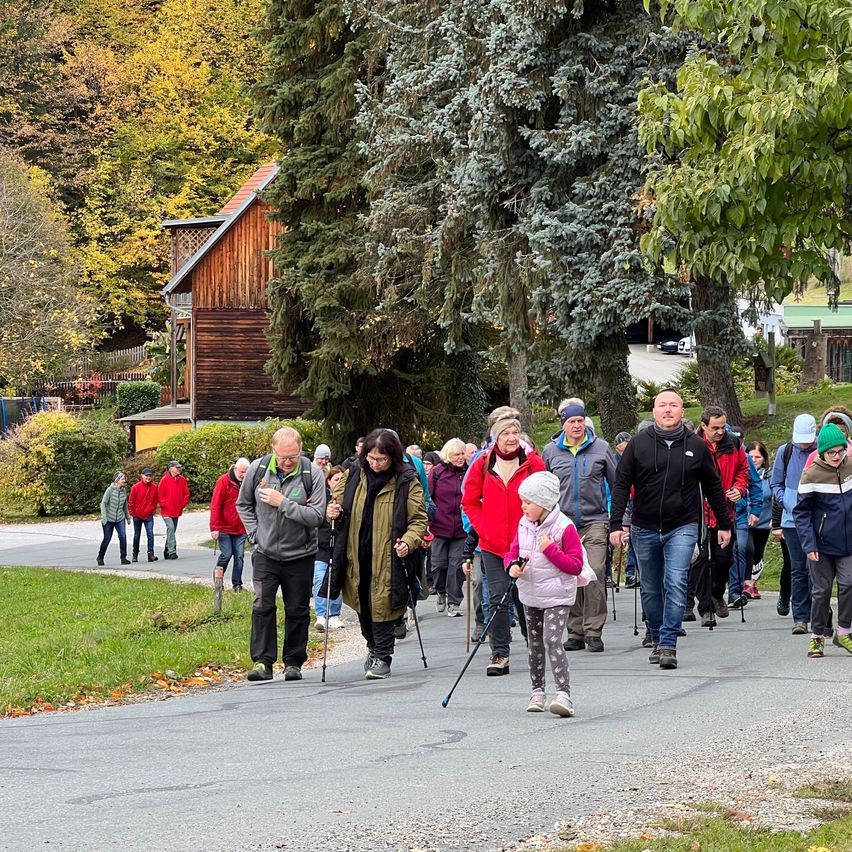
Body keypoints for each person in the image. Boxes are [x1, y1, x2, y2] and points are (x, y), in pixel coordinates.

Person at [610, 389, 731, 670]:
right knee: (651, 589)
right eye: (662, 405)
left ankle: (667, 643)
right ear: (653, 412)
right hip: (644, 527)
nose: (667, 410)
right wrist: (616, 523)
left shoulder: (696, 446)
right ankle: (655, 632)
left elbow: (713, 487)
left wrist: (723, 523)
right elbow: (620, 485)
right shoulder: (638, 445)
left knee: (675, 582)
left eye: (673, 406)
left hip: (683, 525)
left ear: (682, 412)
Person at [324, 429, 428, 680]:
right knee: (362, 604)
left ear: (392, 456)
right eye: (371, 458)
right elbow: (335, 503)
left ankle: (383, 656)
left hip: (388, 554)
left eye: (381, 459)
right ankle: (372, 647)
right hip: (356, 553)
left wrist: (409, 542)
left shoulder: (406, 480)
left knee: (382, 605)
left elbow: (419, 520)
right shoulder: (353, 476)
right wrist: (333, 511)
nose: (375, 463)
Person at [237, 427, 327, 682]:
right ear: (273, 450)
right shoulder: (258, 469)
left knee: (297, 609)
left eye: (293, 457)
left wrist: (283, 503)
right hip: (265, 553)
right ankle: (262, 662)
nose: (287, 462)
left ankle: (293, 663)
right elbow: (243, 504)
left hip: (300, 554)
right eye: (283, 457)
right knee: (263, 606)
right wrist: (254, 534)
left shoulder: (313, 473)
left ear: (301, 450)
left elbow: (317, 517)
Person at [461, 411, 546, 676]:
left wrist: (536, 525)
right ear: (495, 437)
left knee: (526, 596)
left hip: (525, 543)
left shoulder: (533, 463)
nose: (511, 438)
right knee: (497, 598)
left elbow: (547, 497)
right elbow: (469, 501)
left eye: (515, 433)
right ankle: (500, 652)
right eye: (505, 433)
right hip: (493, 544)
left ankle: (534, 642)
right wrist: (483, 527)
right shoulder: (483, 464)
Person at [505, 472, 584, 717]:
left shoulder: (564, 527)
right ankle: (537, 690)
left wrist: (550, 550)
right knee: (535, 643)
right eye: (523, 502)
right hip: (530, 592)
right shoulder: (523, 524)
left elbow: (575, 566)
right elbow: (512, 551)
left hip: (558, 594)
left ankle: (564, 694)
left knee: (552, 639)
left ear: (543, 503)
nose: (523, 506)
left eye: (527, 502)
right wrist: (512, 566)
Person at [542, 400, 616, 653]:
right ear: (563, 424)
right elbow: (543, 488)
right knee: (570, 574)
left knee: (594, 571)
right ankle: (575, 631)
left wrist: (619, 519)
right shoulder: (551, 451)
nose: (577, 425)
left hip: (595, 520)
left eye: (580, 420)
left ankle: (594, 630)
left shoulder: (601, 448)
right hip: (563, 524)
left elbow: (617, 484)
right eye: (572, 421)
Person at [793, 423, 852, 658]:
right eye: (831, 453)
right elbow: (801, 513)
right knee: (822, 590)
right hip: (821, 544)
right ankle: (817, 636)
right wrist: (808, 544)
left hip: (848, 543)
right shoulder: (811, 474)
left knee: (849, 584)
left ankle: (844, 631)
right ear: (822, 453)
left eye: (840, 451)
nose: (837, 457)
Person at [687, 406, 749, 626]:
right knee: (701, 561)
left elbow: (744, 470)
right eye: (715, 428)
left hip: (724, 510)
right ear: (703, 425)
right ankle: (705, 609)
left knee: (724, 559)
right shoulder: (691, 444)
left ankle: (716, 592)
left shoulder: (733, 443)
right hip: (698, 512)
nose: (720, 431)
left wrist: (739, 489)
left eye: (723, 426)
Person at [770, 414, 818, 634]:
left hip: (817, 518)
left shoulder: (822, 449)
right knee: (798, 569)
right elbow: (776, 483)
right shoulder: (785, 451)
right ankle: (800, 617)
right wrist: (785, 500)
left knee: (816, 570)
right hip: (791, 520)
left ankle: (819, 614)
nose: (804, 443)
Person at [428, 439, 468, 617]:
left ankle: (454, 602)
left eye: (462, 454)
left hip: (461, 528)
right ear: (448, 456)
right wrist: (427, 522)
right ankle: (440, 591)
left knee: (456, 566)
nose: (460, 458)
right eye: (456, 454)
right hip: (439, 526)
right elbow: (428, 498)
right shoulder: (437, 472)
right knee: (438, 565)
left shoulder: (468, 472)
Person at [313, 465, 346, 631]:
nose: (339, 483)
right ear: (328, 481)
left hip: (339, 547)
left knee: (336, 578)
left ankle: (334, 614)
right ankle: (320, 615)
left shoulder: (347, 499)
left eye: (342, 480)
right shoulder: (321, 498)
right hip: (321, 547)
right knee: (319, 577)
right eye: (336, 480)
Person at [210, 458, 250, 591]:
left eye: (246, 472)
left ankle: (237, 584)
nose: (243, 474)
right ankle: (217, 580)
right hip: (224, 527)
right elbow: (216, 505)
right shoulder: (223, 481)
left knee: (239, 556)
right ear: (235, 469)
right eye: (242, 471)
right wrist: (214, 527)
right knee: (226, 554)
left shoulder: (247, 483)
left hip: (240, 527)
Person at [743, 441, 772, 600]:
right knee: (749, 549)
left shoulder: (769, 475)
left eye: (758, 457)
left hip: (764, 521)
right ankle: (746, 583)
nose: (754, 460)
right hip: (745, 520)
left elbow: (774, 495)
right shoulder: (743, 471)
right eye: (751, 456)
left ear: (764, 458)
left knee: (758, 554)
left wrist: (776, 517)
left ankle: (753, 583)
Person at [97, 472, 131, 566]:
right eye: (123, 479)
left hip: (120, 518)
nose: (125, 481)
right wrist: (104, 518)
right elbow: (103, 503)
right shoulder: (110, 490)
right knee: (107, 538)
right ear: (117, 480)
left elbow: (125, 505)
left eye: (124, 479)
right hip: (109, 519)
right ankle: (100, 557)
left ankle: (123, 558)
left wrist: (128, 517)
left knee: (123, 537)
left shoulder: (124, 491)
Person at [158, 460, 190, 560]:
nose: (179, 469)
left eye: (179, 467)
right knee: (171, 528)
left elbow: (186, 494)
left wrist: (182, 504)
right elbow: (160, 495)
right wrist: (165, 505)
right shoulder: (164, 480)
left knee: (172, 531)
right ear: (171, 468)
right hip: (166, 511)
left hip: (176, 510)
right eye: (177, 467)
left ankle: (166, 550)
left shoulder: (182, 480)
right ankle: (172, 551)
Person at [128, 467, 158, 563]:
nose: (148, 477)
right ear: (142, 476)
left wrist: (152, 510)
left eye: (150, 475)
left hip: (148, 514)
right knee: (137, 535)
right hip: (137, 515)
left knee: (150, 534)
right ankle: (135, 553)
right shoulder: (135, 487)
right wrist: (133, 513)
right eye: (146, 475)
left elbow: (155, 500)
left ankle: (150, 554)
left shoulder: (154, 487)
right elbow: (131, 501)